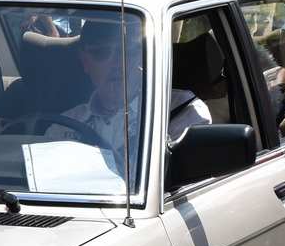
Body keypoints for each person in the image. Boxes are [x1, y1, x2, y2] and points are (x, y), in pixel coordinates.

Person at [62, 20, 208, 161]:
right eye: (103, 53)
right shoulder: (64, 124)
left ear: (144, 57)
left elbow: (178, 178)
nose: (116, 64)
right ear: (85, 61)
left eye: (127, 51)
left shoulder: (180, 111)